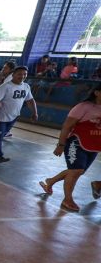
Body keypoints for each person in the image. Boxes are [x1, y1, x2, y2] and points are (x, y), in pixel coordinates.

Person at [38, 83, 101, 212]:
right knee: (75, 171)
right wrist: (61, 145)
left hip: (94, 146)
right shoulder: (83, 107)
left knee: (78, 171)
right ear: (97, 93)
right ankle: (67, 199)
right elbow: (67, 126)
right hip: (76, 143)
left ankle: (51, 181)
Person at [0, 66, 37, 163]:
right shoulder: (5, 87)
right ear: (13, 75)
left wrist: (34, 112)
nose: (22, 76)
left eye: (24, 74)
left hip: (13, 116)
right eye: (19, 74)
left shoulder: (26, 86)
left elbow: (30, 100)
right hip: (1, 117)